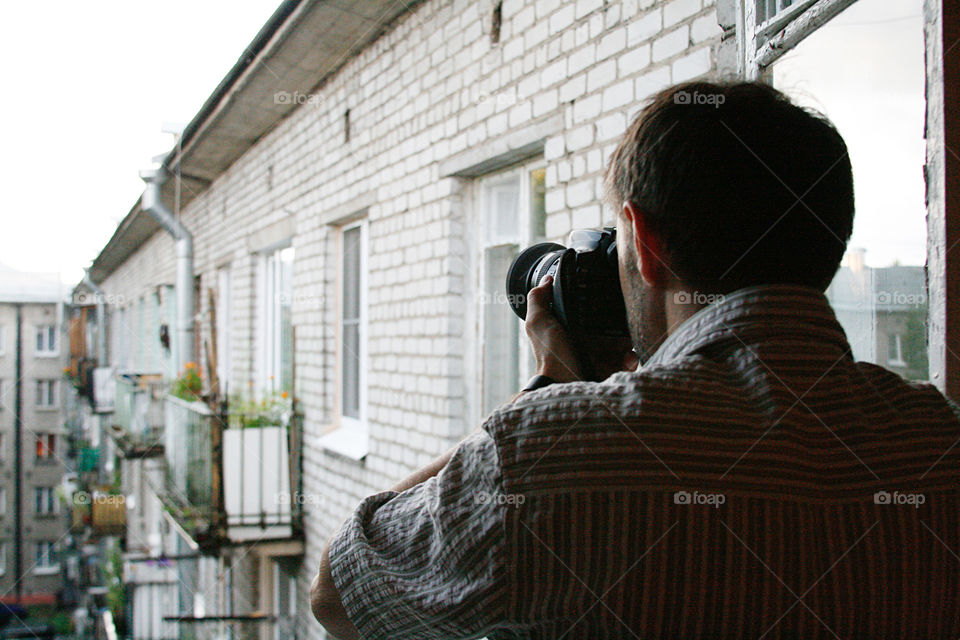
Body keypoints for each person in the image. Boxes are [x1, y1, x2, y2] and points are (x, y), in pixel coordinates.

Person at [310, 81, 960, 638]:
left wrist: (549, 387)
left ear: (644, 243)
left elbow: (339, 595)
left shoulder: (546, 456)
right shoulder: (941, 439)